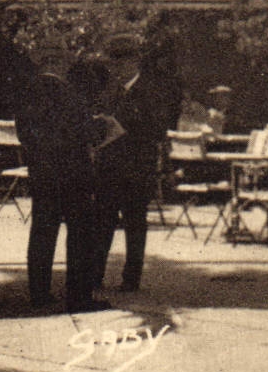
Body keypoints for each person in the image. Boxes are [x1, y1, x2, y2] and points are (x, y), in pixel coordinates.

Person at [12, 49, 116, 313]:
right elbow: (84, 133)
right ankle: (79, 296)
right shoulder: (66, 95)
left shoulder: (27, 93)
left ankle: (39, 292)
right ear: (55, 62)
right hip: (72, 174)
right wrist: (103, 127)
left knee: (42, 233)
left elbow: (26, 134)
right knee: (81, 235)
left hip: (42, 173)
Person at [96, 33, 183, 292]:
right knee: (103, 223)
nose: (118, 69)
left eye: (122, 63)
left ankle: (131, 278)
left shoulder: (152, 92)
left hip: (136, 168)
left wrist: (128, 126)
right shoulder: (111, 91)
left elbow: (159, 129)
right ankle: (96, 274)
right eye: (114, 64)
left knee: (135, 224)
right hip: (109, 168)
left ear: (135, 62)